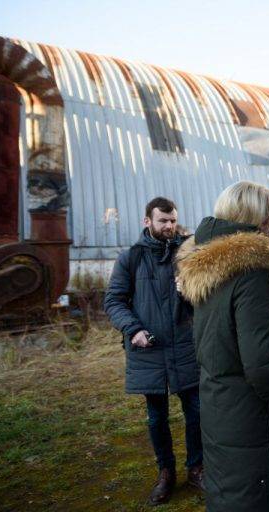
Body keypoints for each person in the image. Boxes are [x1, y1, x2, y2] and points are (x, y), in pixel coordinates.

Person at [176, 181, 269, 512]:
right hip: (254, 416)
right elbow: (263, 366)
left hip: (221, 407)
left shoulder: (209, 269)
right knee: (263, 496)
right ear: (257, 219)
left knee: (232, 492)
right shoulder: (251, 274)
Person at [103, 197, 204, 506]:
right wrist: (132, 329)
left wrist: (187, 292)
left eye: (173, 220)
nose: (170, 226)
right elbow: (113, 301)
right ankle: (166, 473)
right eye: (163, 221)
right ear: (148, 221)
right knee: (156, 417)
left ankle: (197, 468)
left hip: (185, 346)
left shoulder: (188, 255)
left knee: (197, 412)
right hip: (149, 350)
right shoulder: (130, 258)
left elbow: (204, 298)